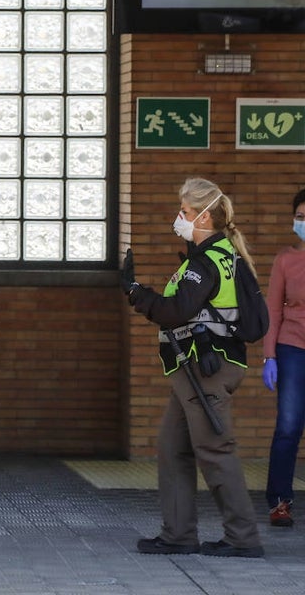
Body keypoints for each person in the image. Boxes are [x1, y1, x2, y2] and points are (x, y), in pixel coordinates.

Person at [123, 176, 264, 558]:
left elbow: (175, 311)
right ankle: (178, 534)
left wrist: (137, 293)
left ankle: (242, 538)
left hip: (207, 370)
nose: (179, 218)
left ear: (204, 216)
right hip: (194, 371)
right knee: (173, 448)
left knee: (216, 450)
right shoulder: (215, 256)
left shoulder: (206, 261)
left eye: (185, 212)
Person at [262, 187, 305, 528]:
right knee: (289, 426)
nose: (303, 222)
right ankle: (279, 501)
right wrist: (268, 356)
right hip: (292, 348)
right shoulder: (285, 260)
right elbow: (273, 310)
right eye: (300, 217)